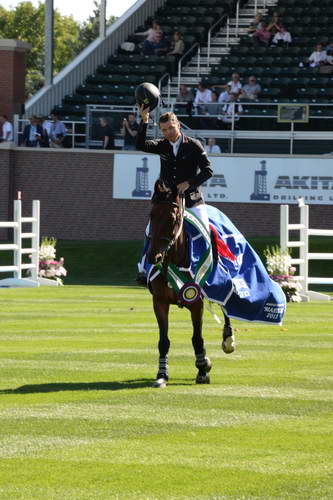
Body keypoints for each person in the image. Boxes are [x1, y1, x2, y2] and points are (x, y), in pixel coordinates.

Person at [136, 105, 213, 230]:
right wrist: (144, 120)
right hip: (166, 200)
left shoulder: (194, 145)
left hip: (192, 200)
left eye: (171, 128)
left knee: (205, 232)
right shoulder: (161, 145)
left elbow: (208, 171)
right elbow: (140, 145)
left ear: (178, 125)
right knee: (149, 232)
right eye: (164, 130)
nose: (168, 132)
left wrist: (188, 183)